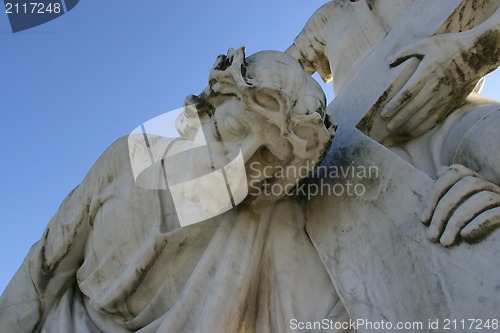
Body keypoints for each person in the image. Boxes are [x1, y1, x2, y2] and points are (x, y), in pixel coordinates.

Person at [0, 49, 349, 332]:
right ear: (208, 110)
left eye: (268, 155)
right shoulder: (128, 159)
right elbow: (44, 269)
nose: (239, 160)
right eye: (233, 126)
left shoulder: (260, 229)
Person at [287, 0, 500, 246]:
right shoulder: (326, 19)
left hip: (457, 114)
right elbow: (275, 74)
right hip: (363, 155)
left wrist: (471, 50)